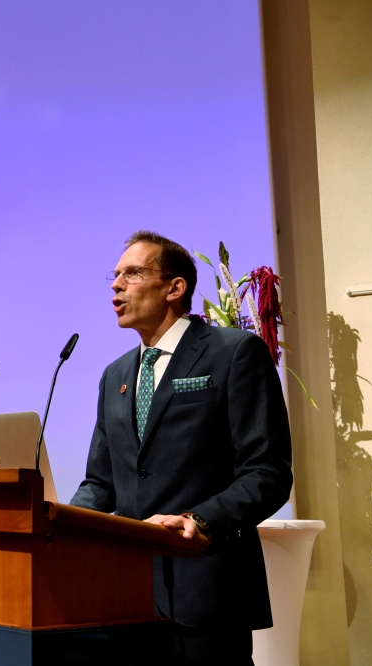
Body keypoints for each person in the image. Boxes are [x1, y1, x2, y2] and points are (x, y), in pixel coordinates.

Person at [68, 231, 293, 664]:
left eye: (132, 273)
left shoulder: (233, 353)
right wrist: (63, 528)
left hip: (207, 591)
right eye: (115, 275)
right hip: (127, 599)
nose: (116, 285)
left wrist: (200, 519)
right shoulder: (114, 374)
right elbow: (101, 483)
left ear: (175, 287)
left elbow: (267, 472)